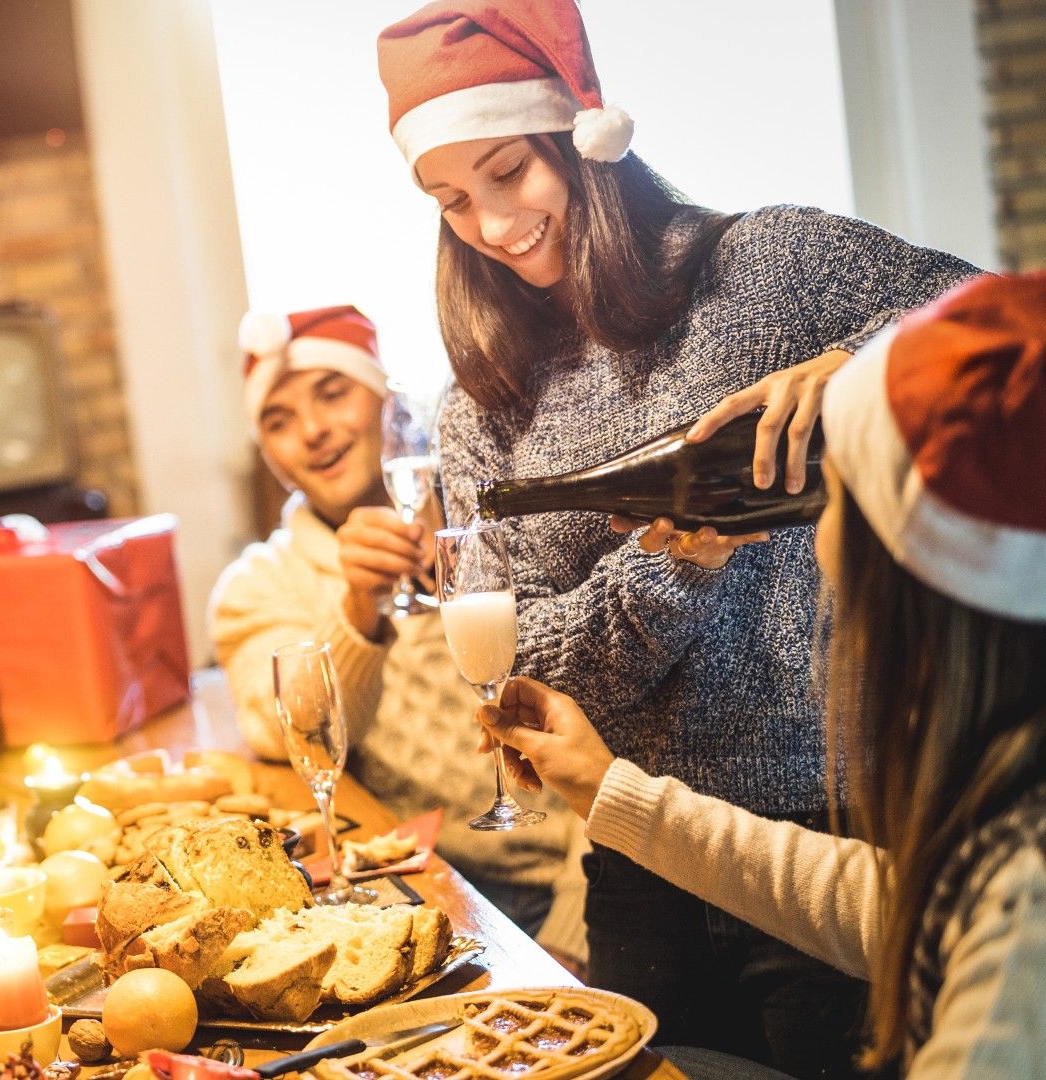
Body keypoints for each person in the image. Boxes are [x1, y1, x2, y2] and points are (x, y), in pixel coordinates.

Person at [374, 1, 982, 1073]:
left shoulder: (768, 266)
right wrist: (667, 564)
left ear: (580, 143)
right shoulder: (484, 407)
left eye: (510, 172)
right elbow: (516, 662)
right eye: (452, 199)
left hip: (833, 831)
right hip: (635, 846)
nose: (492, 223)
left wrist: (858, 366)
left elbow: (993, 322)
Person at [477, 272, 1046, 1079]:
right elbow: (884, 906)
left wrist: (851, 357)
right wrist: (606, 787)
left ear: (923, 572)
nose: (812, 539)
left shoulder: (1026, 920)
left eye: (837, 495)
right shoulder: (1003, 834)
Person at [208, 305, 584, 965]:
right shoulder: (259, 583)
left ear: (387, 399)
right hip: (437, 880)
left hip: (588, 871)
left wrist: (572, 934)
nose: (314, 431)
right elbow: (289, 735)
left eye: (333, 393)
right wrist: (357, 608)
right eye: (279, 420)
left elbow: (618, 710)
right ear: (265, 453)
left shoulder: (493, 518)